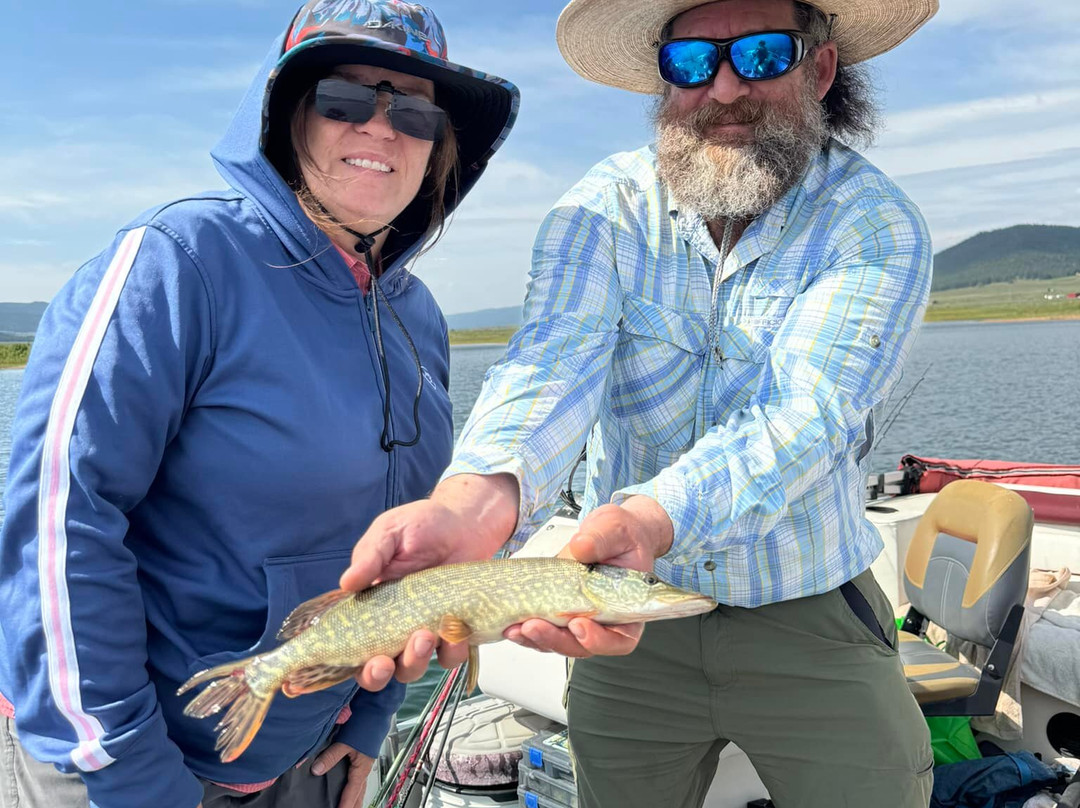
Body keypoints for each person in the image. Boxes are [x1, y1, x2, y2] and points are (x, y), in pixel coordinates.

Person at [339, 0, 940, 806]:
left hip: (806, 609)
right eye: (690, 63)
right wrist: (473, 504)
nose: (723, 88)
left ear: (821, 68)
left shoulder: (874, 225)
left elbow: (805, 415)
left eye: (762, 54)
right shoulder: (604, 207)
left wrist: (651, 519)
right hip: (623, 621)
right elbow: (551, 365)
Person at [0, 2, 517, 807]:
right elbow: (58, 523)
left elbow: (404, 560)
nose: (380, 128)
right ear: (287, 115)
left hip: (301, 760)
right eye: (345, 98)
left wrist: (369, 717)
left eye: (415, 112)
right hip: (120, 770)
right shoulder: (178, 262)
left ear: (439, 146)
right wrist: (133, 777)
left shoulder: (418, 319)